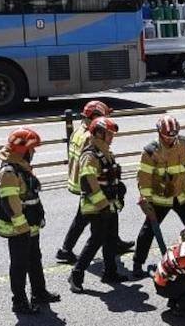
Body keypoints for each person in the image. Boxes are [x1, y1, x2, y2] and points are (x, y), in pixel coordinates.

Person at [57, 100, 134, 263]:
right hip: (90, 183)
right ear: (95, 117)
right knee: (87, 218)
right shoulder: (89, 136)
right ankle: (67, 250)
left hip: (77, 179)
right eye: (105, 116)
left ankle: (114, 241)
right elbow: (92, 163)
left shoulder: (77, 131)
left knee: (91, 217)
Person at [132, 116, 185, 278]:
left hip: (182, 196)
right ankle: (137, 264)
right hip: (160, 199)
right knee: (148, 231)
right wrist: (146, 200)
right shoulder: (150, 151)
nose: (171, 140)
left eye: (174, 136)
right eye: (167, 137)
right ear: (159, 133)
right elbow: (144, 178)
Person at [0, 127, 60, 314]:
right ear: (22, 150)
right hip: (18, 228)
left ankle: (39, 293)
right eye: (32, 149)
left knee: (34, 259)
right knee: (19, 264)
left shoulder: (20, 168)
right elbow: (11, 202)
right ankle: (20, 302)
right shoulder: (9, 172)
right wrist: (21, 224)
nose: (33, 153)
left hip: (28, 224)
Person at [69, 116, 129, 292]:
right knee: (96, 241)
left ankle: (110, 272)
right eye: (109, 134)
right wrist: (102, 205)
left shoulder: (105, 152)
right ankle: (76, 275)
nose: (112, 137)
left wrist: (118, 189)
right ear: (99, 134)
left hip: (109, 206)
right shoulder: (90, 155)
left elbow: (108, 177)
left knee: (110, 239)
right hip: (97, 208)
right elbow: (89, 183)